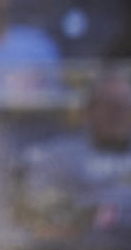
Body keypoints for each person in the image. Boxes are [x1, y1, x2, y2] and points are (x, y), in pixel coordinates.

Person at [14, 70, 131, 239]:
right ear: (90, 110)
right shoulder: (56, 155)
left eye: (125, 107)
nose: (118, 115)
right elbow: (33, 208)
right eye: (110, 106)